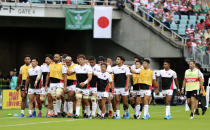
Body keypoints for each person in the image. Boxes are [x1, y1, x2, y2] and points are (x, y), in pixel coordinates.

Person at [68, 54, 92, 119]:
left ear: (84, 60)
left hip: (86, 86)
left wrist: (84, 82)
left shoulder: (88, 67)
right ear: (77, 60)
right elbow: (69, 73)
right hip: (78, 86)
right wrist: (66, 66)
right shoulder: (76, 67)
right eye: (79, 59)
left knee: (86, 101)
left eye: (81, 59)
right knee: (78, 98)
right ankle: (77, 114)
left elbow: (90, 77)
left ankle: (88, 114)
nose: (80, 61)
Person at [45, 54, 67, 118]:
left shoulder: (62, 65)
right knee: (54, 98)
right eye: (54, 57)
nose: (55, 58)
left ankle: (58, 112)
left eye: (57, 57)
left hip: (59, 83)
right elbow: (48, 75)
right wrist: (46, 84)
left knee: (58, 96)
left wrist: (65, 86)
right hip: (52, 83)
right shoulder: (50, 65)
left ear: (59, 58)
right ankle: (57, 113)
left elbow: (65, 76)